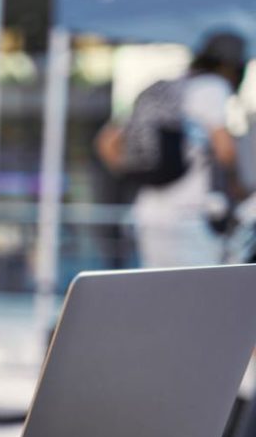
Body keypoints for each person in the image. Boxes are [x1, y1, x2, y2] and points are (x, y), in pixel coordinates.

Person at [95, 31, 249, 268]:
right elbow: (225, 150)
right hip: (190, 214)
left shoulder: (161, 88)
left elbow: (107, 141)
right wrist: (238, 188)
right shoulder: (212, 86)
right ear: (231, 66)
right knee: (200, 294)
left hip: (147, 211)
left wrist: (135, 172)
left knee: (159, 292)